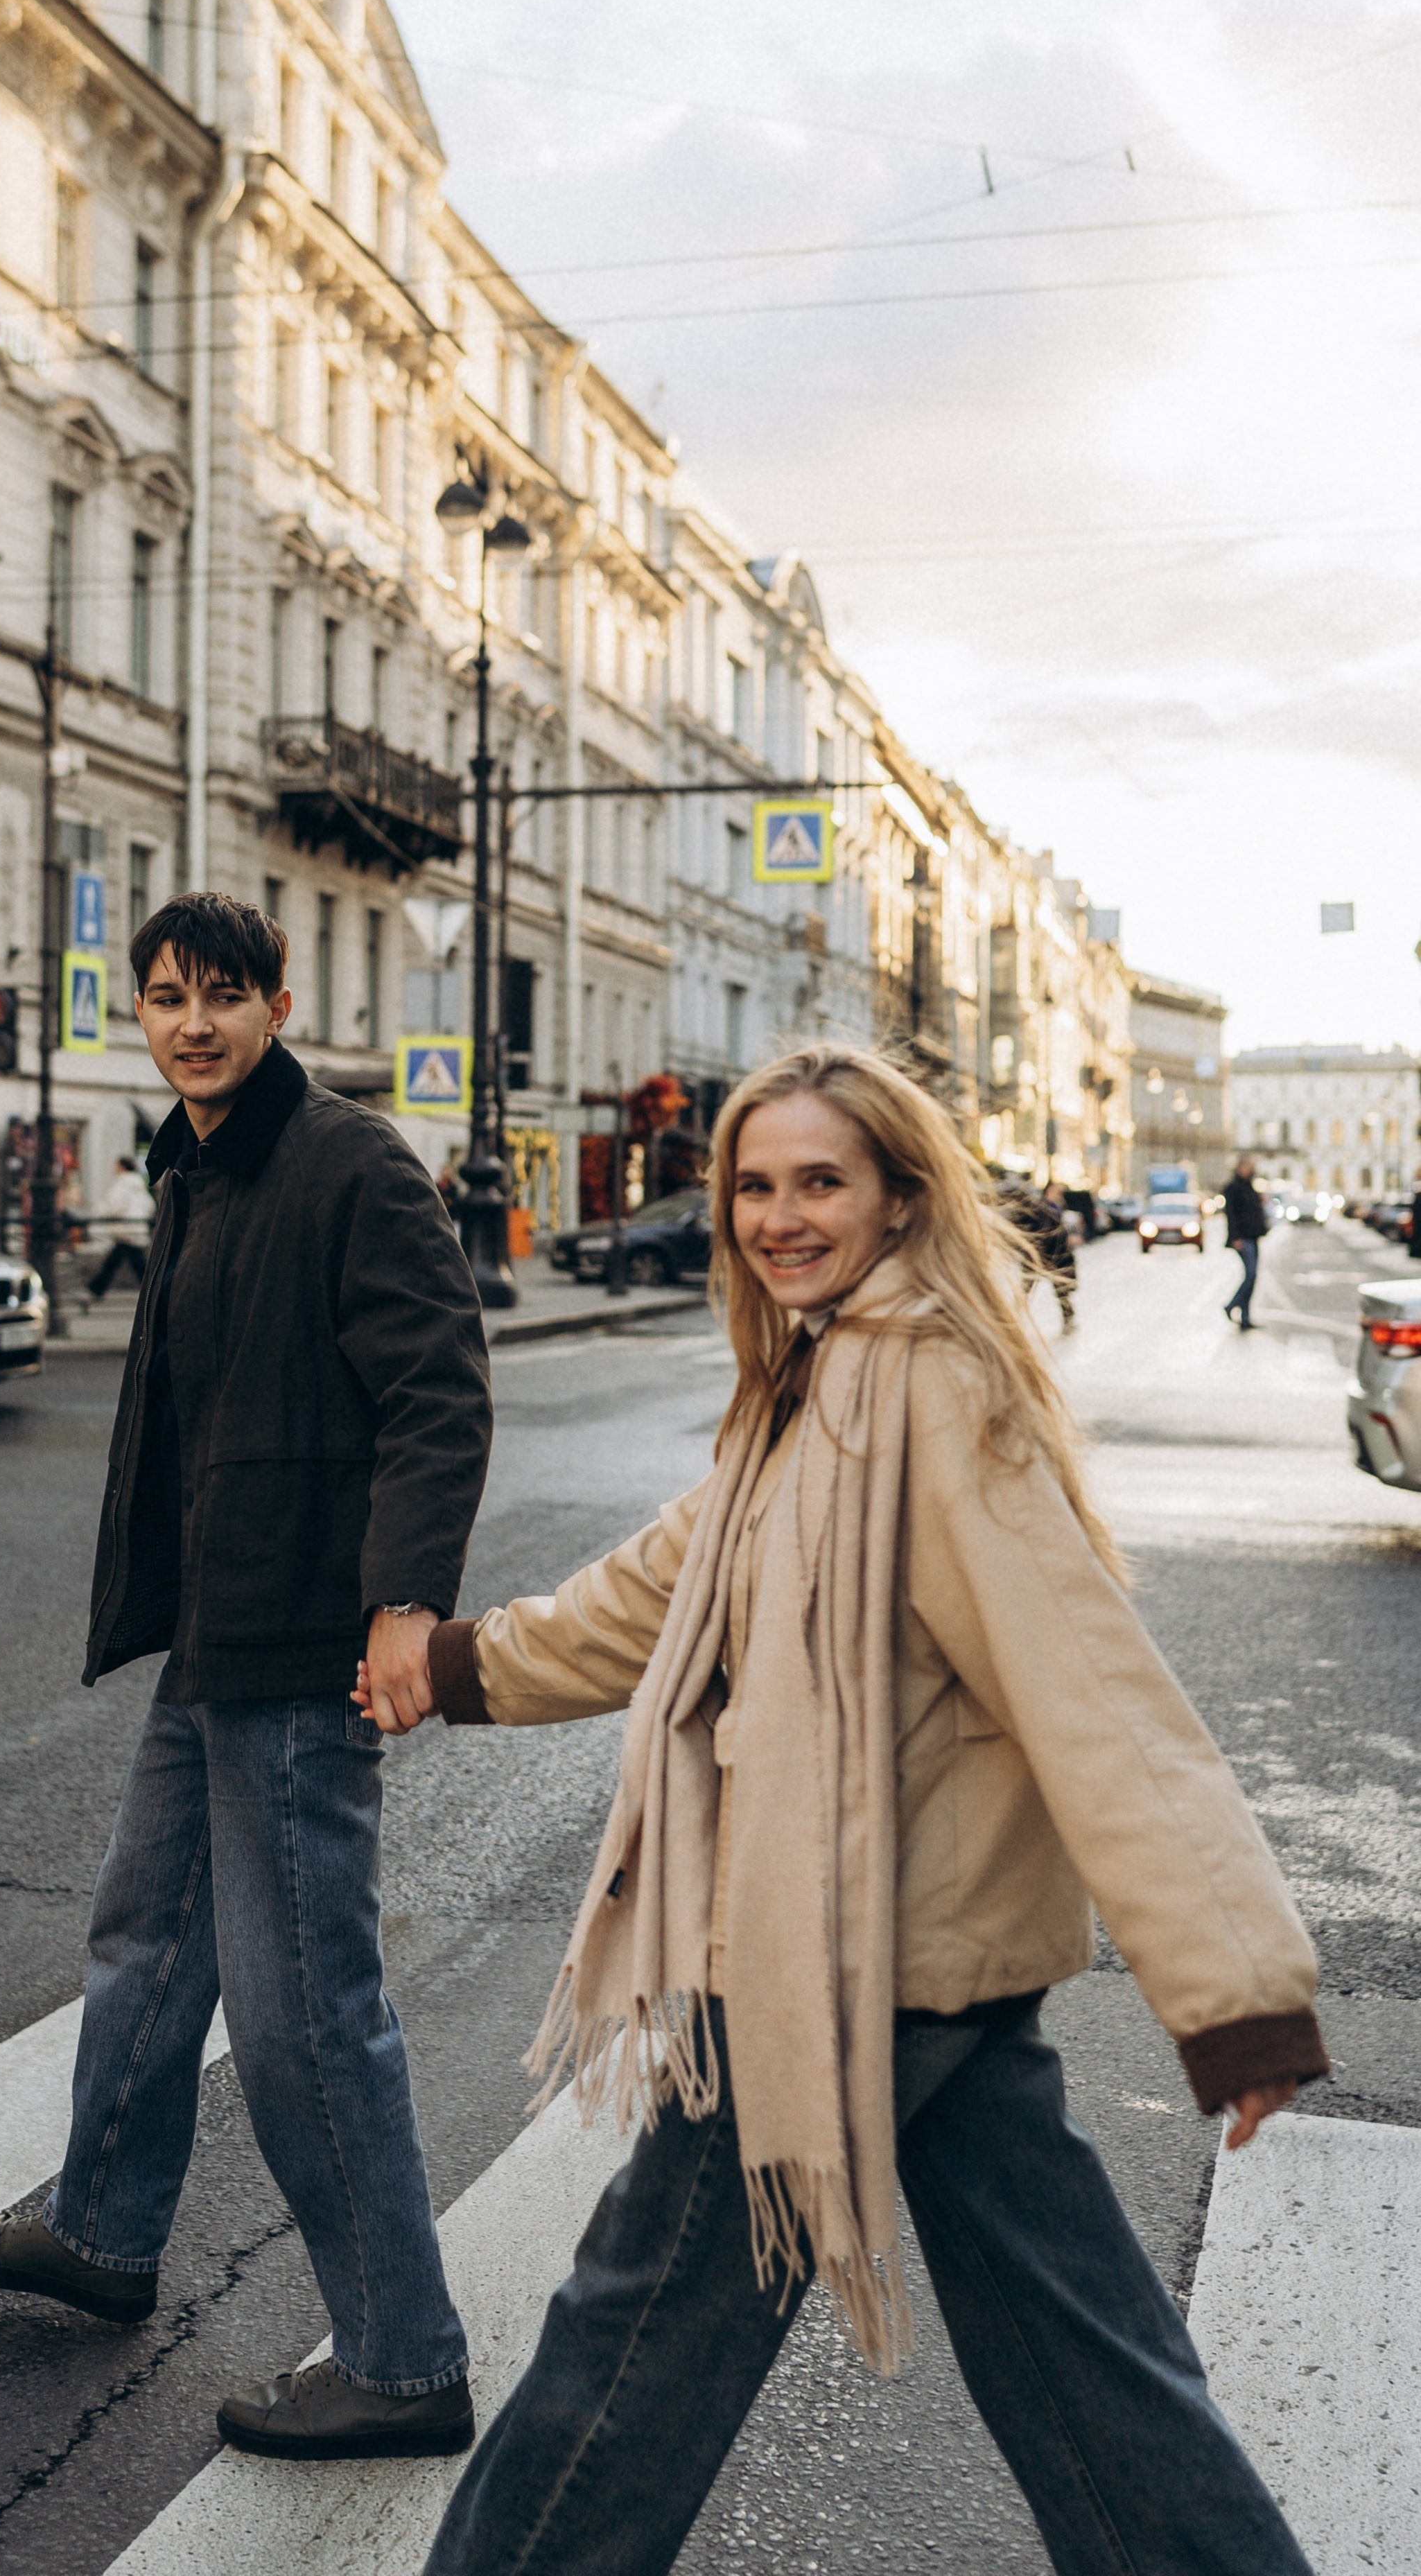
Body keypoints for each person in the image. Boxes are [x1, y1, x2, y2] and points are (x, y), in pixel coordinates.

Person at [365, 1044, 1326, 2576]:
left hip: (836, 1954)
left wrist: (1237, 2001)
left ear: (896, 1197)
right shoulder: (813, 1382)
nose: (778, 1214)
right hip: (928, 1964)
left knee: (622, 2352)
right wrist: (460, 1665)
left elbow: (1090, 1690)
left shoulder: (925, 1394)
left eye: (821, 1180)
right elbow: (649, 1598)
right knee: (1081, 2372)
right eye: (755, 1183)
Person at [0, 892, 492, 2464]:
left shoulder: (344, 1159)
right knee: (145, 1934)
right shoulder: (197, 1160)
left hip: (302, 1641)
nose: (192, 1018)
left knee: (301, 2004)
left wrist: (401, 1604)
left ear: (277, 1000)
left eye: (223, 993)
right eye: (167, 994)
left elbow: (437, 1389)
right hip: (214, 1633)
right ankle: (106, 2230)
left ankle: (400, 2353)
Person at [85, 1154, 154, 1298]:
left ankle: (95, 1289)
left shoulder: (122, 1184)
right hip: (136, 1228)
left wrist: (98, 1209)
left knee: (124, 1263)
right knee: (127, 1262)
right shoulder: (139, 1185)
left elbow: (116, 1207)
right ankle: (96, 1289)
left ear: (122, 1167)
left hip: (125, 1229)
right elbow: (150, 1206)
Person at [1223, 1154, 1269, 1329]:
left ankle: (1245, 1317)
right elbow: (1231, 1215)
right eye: (1249, 1166)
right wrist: (1235, 1238)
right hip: (1242, 1238)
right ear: (1241, 1167)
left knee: (1252, 1276)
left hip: (1253, 1236)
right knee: (1251, 1275)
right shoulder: (1233, 1187)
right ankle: (1232, 1305)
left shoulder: (1248, 1185)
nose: (1252, 1169)